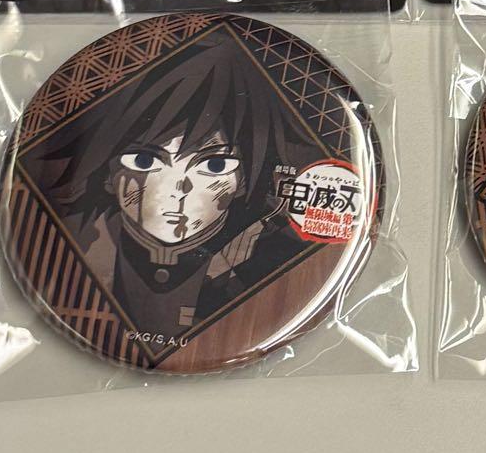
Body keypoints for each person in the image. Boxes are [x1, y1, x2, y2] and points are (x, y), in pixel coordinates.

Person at [22, 27, 320, 341]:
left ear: (244, 180)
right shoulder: (61, 247)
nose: (178, 189)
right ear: (108, 171)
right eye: (144, 161)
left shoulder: (273, 255)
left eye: (214, 166)